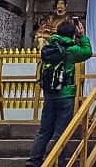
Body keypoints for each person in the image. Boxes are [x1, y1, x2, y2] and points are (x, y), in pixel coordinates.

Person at [26, 20, 92, 167]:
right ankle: (56, 161)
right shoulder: (71, 50)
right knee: (61, 132)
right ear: (72, 34)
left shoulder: (49, 47)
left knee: (44, 131)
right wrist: (82, 37)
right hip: (66, 94)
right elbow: (88, 52)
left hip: (49, 94)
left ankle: (33, 161)